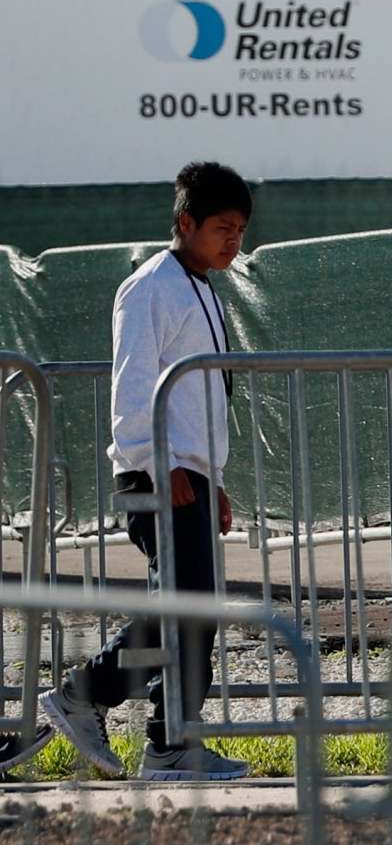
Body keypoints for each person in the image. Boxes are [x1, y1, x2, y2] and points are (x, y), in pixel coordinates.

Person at [40, 162, 252, 780]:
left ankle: (169, 746)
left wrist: (212, 477)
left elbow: (199, 399)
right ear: (184, 222)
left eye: (240, 228)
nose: (233, 240)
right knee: (184, 608)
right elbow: (133, 389)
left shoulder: (203, 287)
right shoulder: (150, 286)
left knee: (192, 611)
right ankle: (88, 695)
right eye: (221, 227)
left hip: (189, 476)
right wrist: (159, 466)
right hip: (155, 476)